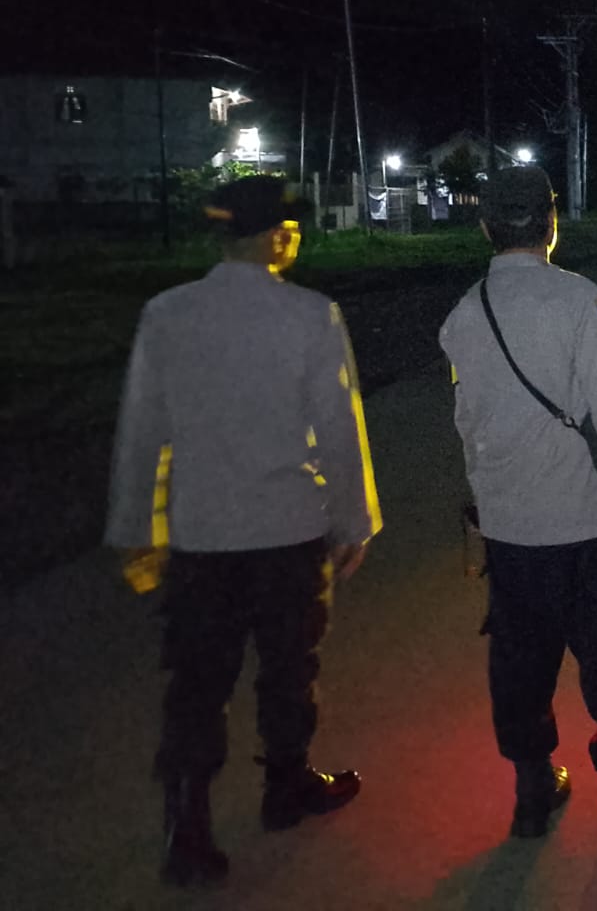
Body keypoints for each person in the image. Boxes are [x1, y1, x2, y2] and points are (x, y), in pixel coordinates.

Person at [106, 175, 381, 888]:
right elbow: (339, 428)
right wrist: (354, 521)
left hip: (202, 536)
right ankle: (286, 785)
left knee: (197, 681)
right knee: (289, 667)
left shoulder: (168, 314)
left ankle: (187, 826)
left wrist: (136, 526)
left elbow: (142, 429)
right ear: (278, 237)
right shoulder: (310, 315)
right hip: (288, 530)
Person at [439, 165, 597, 850]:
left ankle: (532, 794)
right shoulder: (579, 298)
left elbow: (469, 422)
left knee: (521, 664)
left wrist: (487, 502)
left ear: (485, 227)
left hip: (511, 529)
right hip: (586, 521)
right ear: (552, 223)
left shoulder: (464, 314)